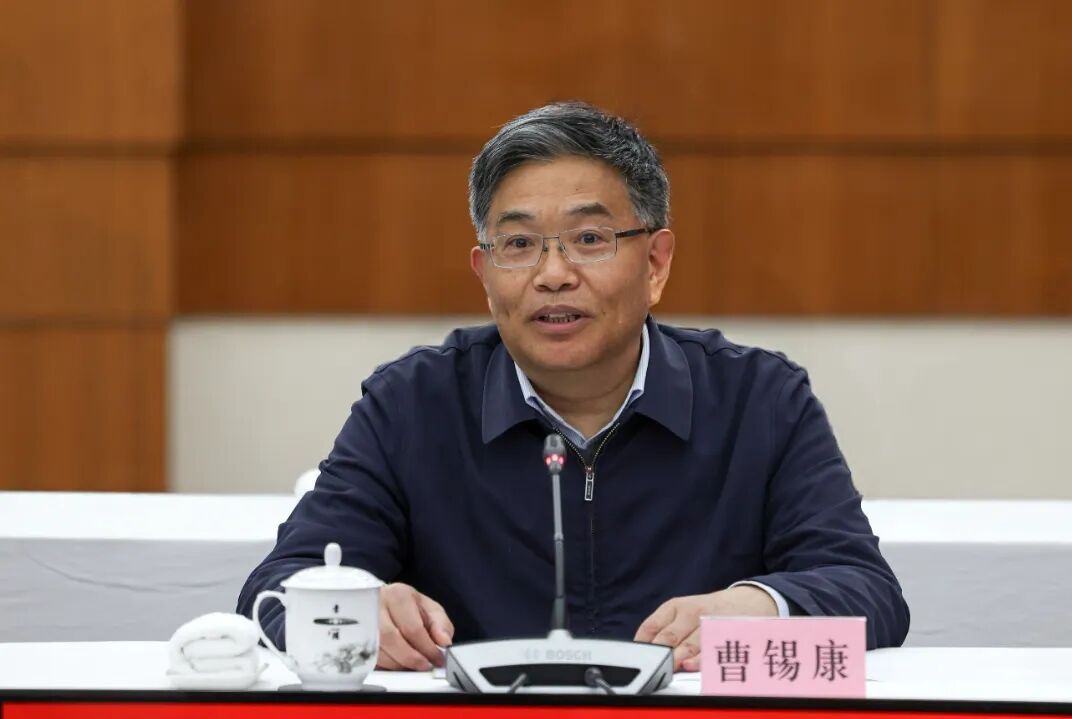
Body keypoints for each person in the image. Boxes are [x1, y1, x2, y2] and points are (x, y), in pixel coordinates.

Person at [238, 102, 909, 673]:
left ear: (655, 263)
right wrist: (354, 609)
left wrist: (761, 608)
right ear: (484, 273)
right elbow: (271, 592)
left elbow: (870, 596)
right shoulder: (412, 405)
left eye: (589, 238)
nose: (553, 274)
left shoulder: (758, 400)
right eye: (519, 244)